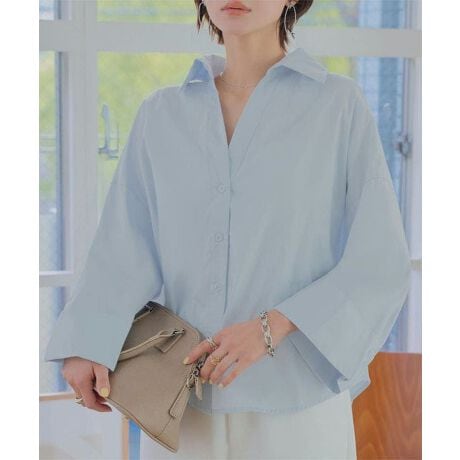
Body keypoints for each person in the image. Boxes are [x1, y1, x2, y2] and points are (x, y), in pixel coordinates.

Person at [44, 1, 411, 459]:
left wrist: (272, 326)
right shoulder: (161, 114)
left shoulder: (337, 106)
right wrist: (87, 341)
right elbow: (123, 246)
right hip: (181, 403)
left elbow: (380, 261)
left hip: (296, 401)